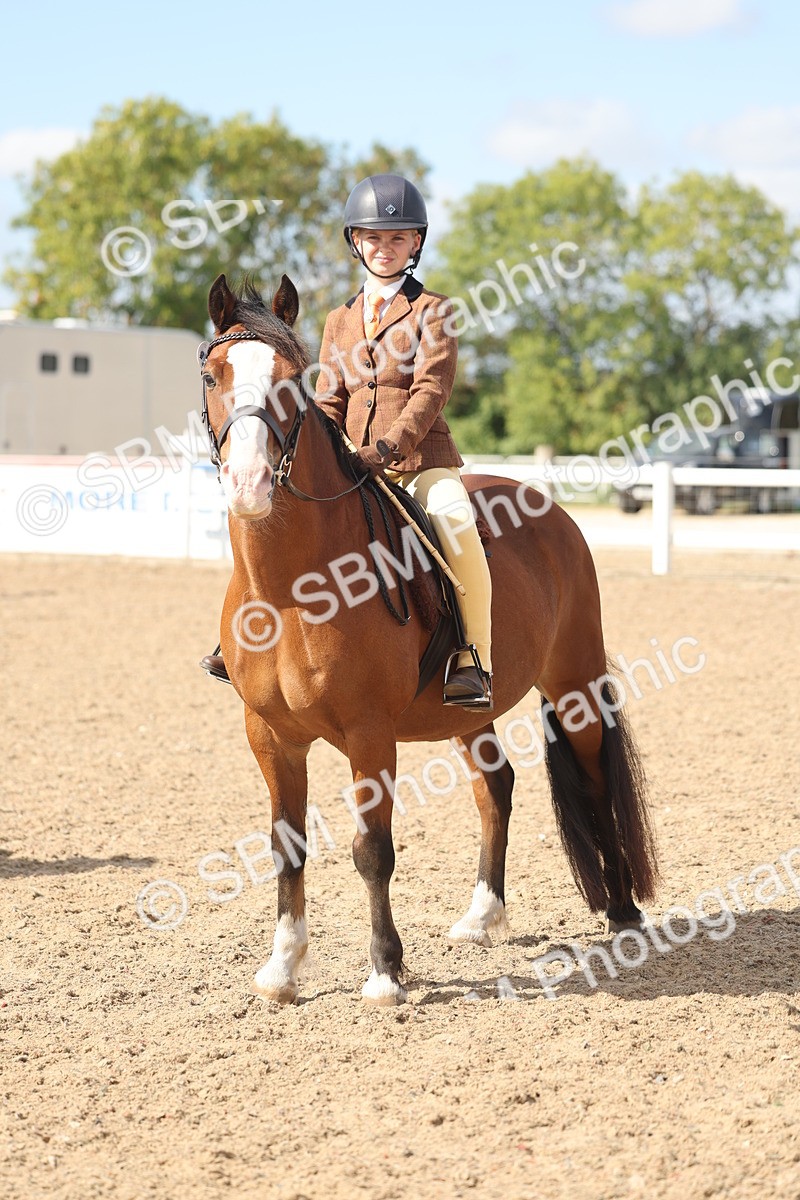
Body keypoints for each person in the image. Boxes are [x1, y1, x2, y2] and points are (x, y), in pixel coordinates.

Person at [201, 173, 492, 709]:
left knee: (456, 523)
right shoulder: (339, 319)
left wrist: (391, 447)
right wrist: (324, 443)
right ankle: (242, 637)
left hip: (419, 460)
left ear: (417, 243)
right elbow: (330, 395)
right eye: (375, 238)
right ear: (356, 243)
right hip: (351, 461)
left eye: (399, 238)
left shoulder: (434, 310)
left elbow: (432, 387)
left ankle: (473, 656)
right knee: (277, 520)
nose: (386, 248)